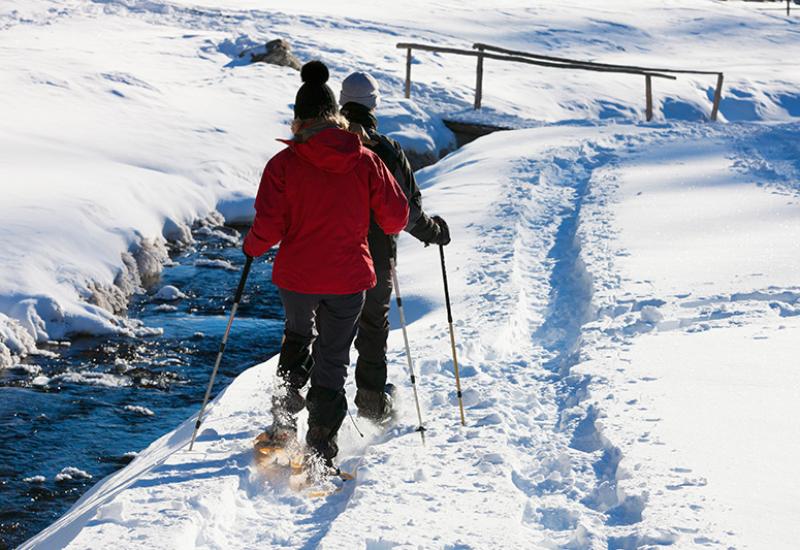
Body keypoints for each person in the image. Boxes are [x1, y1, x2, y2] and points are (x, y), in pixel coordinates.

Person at [244, 61, 409, 466]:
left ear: (298, 120)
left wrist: (251, 248)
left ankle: (284, 426)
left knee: (297, 339)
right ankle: (320, 450)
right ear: (335, 115)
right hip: (349, 277)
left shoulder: (282, 165)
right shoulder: (367, 161)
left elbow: (268, 227)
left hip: (297, 277)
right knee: (332, 360)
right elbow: (396, 217)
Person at [338, 71, 451, 423]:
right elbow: (407, 210)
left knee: (328, 329)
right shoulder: (387, 150)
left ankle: (320, 403)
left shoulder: (322, 145)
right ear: (374, 105)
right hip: (376, 254)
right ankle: (371, 400)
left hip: (328, 251)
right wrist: (434, 233)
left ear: (342, 102)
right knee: (373, 325)